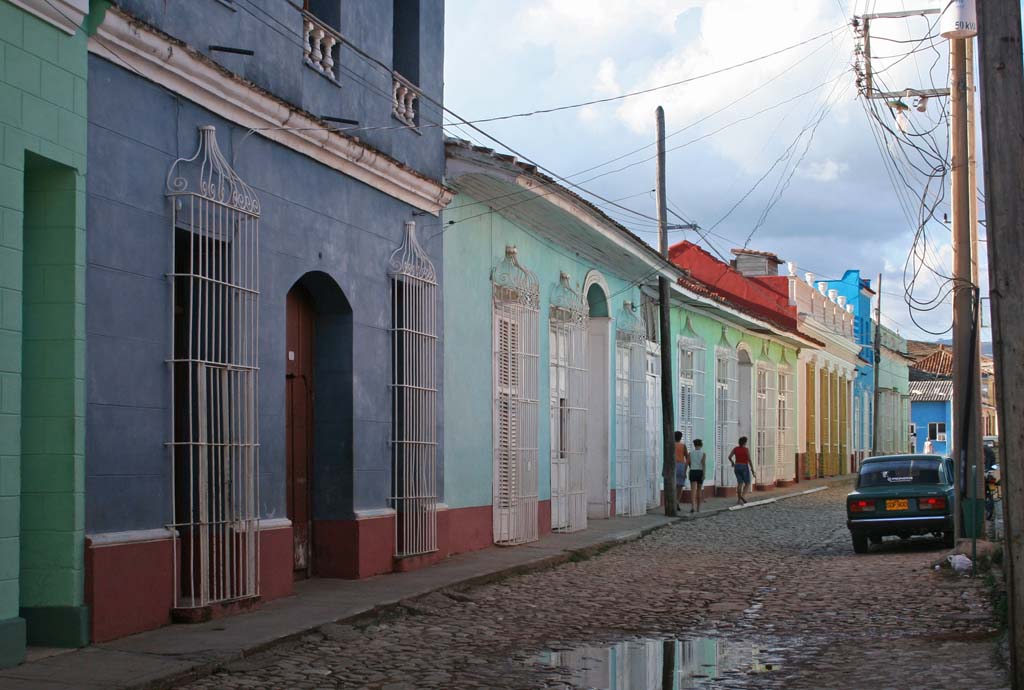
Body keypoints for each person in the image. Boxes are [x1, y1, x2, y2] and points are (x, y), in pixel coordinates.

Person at [729, 436, 755, 505]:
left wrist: (732, 463)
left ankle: (738, 500)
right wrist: (752, 470)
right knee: (747, 483)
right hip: (744, 466)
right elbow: (749, 460)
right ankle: (742, 497)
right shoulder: (746, 450)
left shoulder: (735, 449)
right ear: (745, 443)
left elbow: (729, 457)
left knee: (739, 483)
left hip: (737, 466)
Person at [687, 439, 706, 513]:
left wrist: (686, 471)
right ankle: (698, 508)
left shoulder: (690, 453)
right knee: (699, 490)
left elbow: (688, 463)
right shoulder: (703, 454)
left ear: (694, 445)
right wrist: (704, 474)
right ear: (701, 445)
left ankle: (692, 507)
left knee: (693, 490)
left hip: (692, 471)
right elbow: (703, 464)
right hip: (700, 471)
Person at [674, 431, 688, 511]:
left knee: (673, 485)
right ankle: (677, 502)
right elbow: (687, 457)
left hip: (673, 465)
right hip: (681, 466)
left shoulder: (671, 445)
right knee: (680, 486)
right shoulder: (683, 446)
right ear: (680, 437)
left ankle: (673, 502)